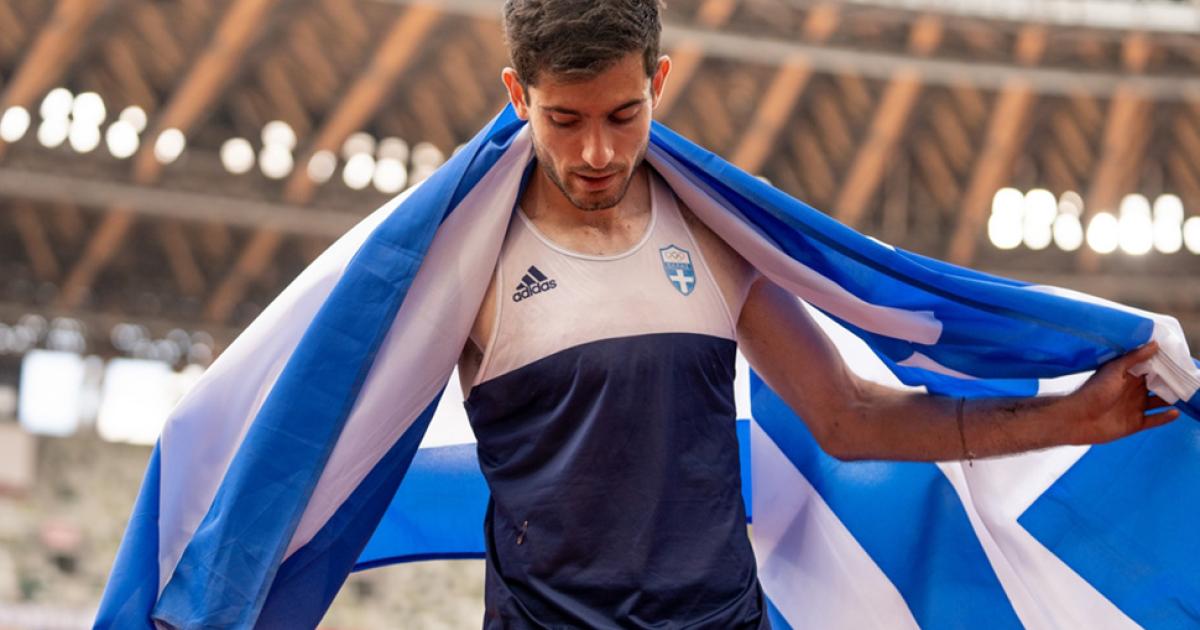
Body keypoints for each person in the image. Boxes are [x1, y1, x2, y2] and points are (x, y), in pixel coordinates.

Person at [455, 1, 1180, 627]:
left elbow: (848, 417)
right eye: (564, 119)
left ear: (660, 82)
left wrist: (1070, 418)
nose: (597, 152)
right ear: (518, 94)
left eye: (623, 115)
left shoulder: (715, 230)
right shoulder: (462, 259)